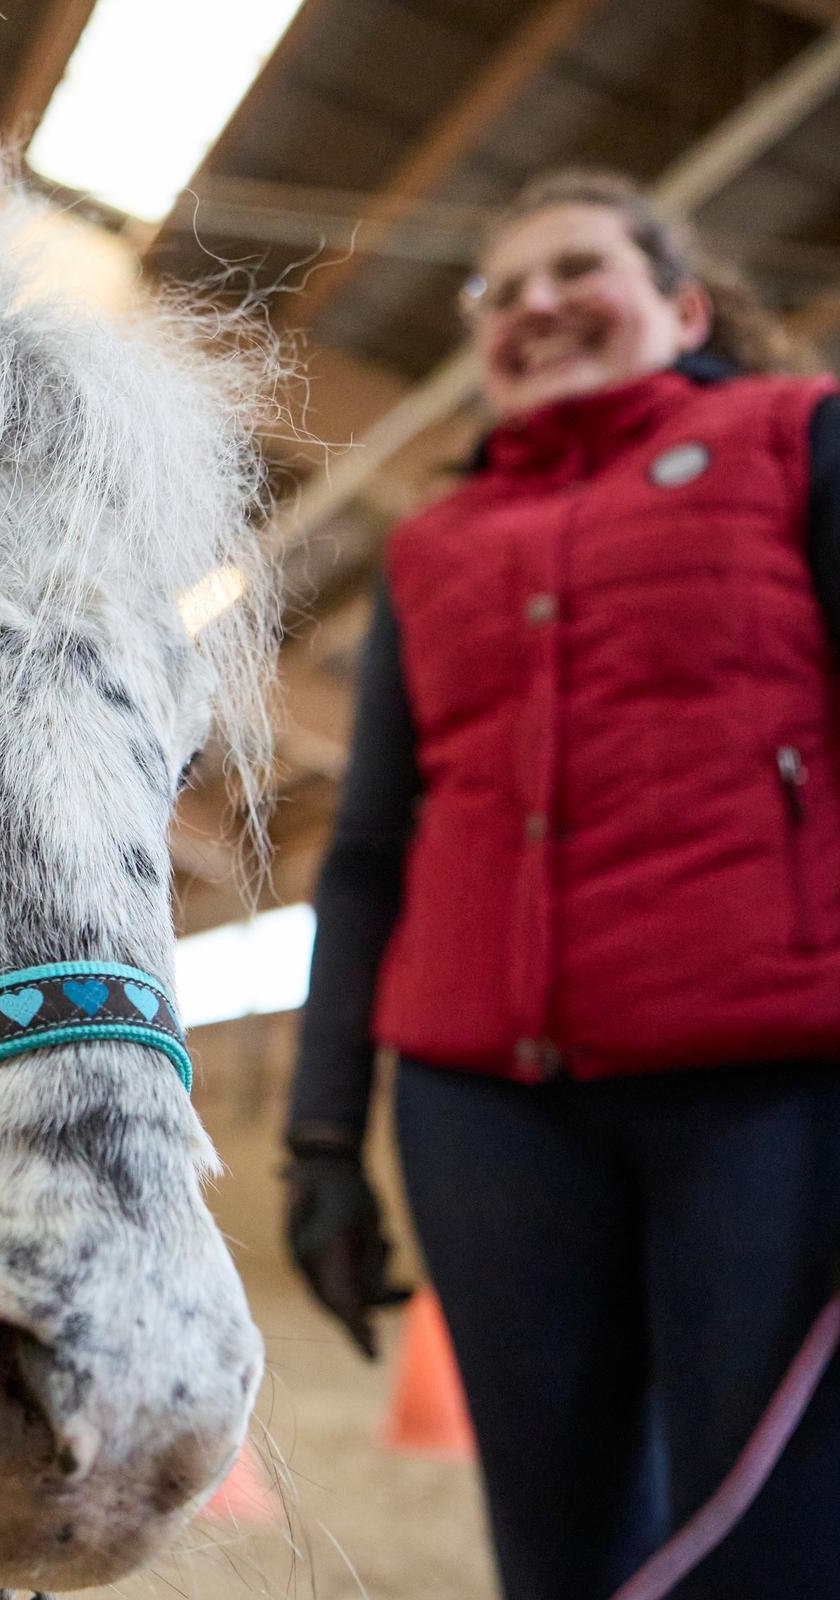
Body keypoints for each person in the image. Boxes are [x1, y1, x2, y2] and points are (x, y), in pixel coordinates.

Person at [284, 168, 840, 1599]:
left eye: (577, 269)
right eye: (500, 291)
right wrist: (324, 1142)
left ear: (684, 304)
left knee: (771, 1544)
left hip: (769, 1094)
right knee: (557, 1550)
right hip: (487, 1112)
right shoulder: (431, 548)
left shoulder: (798, 440)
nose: (535, 304)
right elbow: (366, 852)